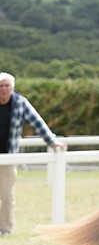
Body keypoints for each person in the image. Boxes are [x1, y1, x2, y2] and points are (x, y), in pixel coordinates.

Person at [0, 72, 67, 235]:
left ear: (12, 88)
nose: (3, 89)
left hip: (9, 156)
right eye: (0, 86)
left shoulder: (20, 103)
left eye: (7, 85)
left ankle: (5, 228)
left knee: (7, 195)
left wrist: (52, 141)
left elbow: (38, 122)